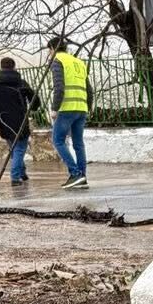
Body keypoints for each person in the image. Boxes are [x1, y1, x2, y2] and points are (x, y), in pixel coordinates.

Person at [44, 35, 90, 189]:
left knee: (57, 140)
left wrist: (54, 108)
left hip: (67, 108)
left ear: (52, 49)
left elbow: (59, 87)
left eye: (49, 51)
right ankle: (82, 177)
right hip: (81, 108)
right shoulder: (79, 62)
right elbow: (89, 89)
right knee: (78, 144)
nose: (49, 55)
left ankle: (75, 174)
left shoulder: (58, 61)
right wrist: (88, 107)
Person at [0, 56, 37, 185]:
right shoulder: (21, 82)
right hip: (20, 119)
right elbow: (34, 98)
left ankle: (22, 173)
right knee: (19, 149)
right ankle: (15, 177)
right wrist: (33, 108)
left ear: (1, 67)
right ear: (14, 67)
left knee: (14, 148)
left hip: (4, 120)